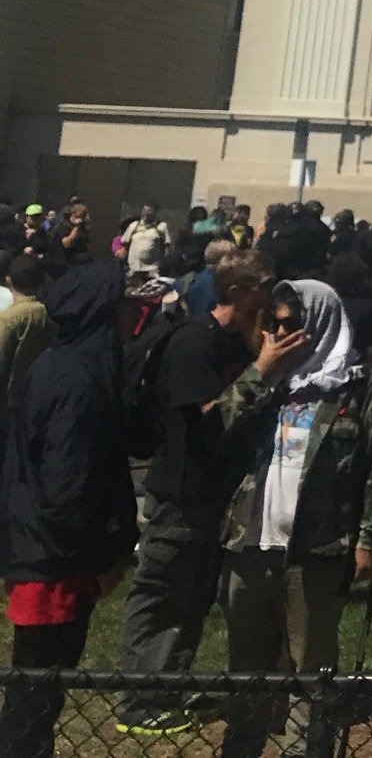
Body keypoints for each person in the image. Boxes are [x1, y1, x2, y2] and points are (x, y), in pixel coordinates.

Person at [212, 278, 372, 758]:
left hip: (318, 550)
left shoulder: (360, 385)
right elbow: (218, 430)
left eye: (291, 323)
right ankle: (242, 747)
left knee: (311, 670)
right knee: (247, 668)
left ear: (319, 322)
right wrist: (260, 372)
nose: (281, 333)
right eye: (274, 324)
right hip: (249, 544)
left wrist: (369, 540)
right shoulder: (265, 380)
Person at [114, 251, 275, 735]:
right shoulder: (191, 343)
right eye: (264, 286)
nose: (271, 296)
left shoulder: (235, 344)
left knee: (192, 596)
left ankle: (169, 685)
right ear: (237, 292)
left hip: (213, 496)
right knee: (162, 594)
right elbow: (207, 423)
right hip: (181, 493)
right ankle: (139, 701)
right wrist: (260, 370)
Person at [0, 261, 138, 758]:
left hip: (47, 548)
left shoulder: (64, 365)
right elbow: (66, 486)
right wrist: (101, 559)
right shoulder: (78, 382)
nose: (131, 314)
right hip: (54, 558)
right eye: (123, 305)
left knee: (39, 690)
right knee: (34, 689)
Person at [0, 256, 51, 408]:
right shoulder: (47, 313)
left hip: (7, 401)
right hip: (36, 396)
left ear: (9, 280)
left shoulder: (10, 318)